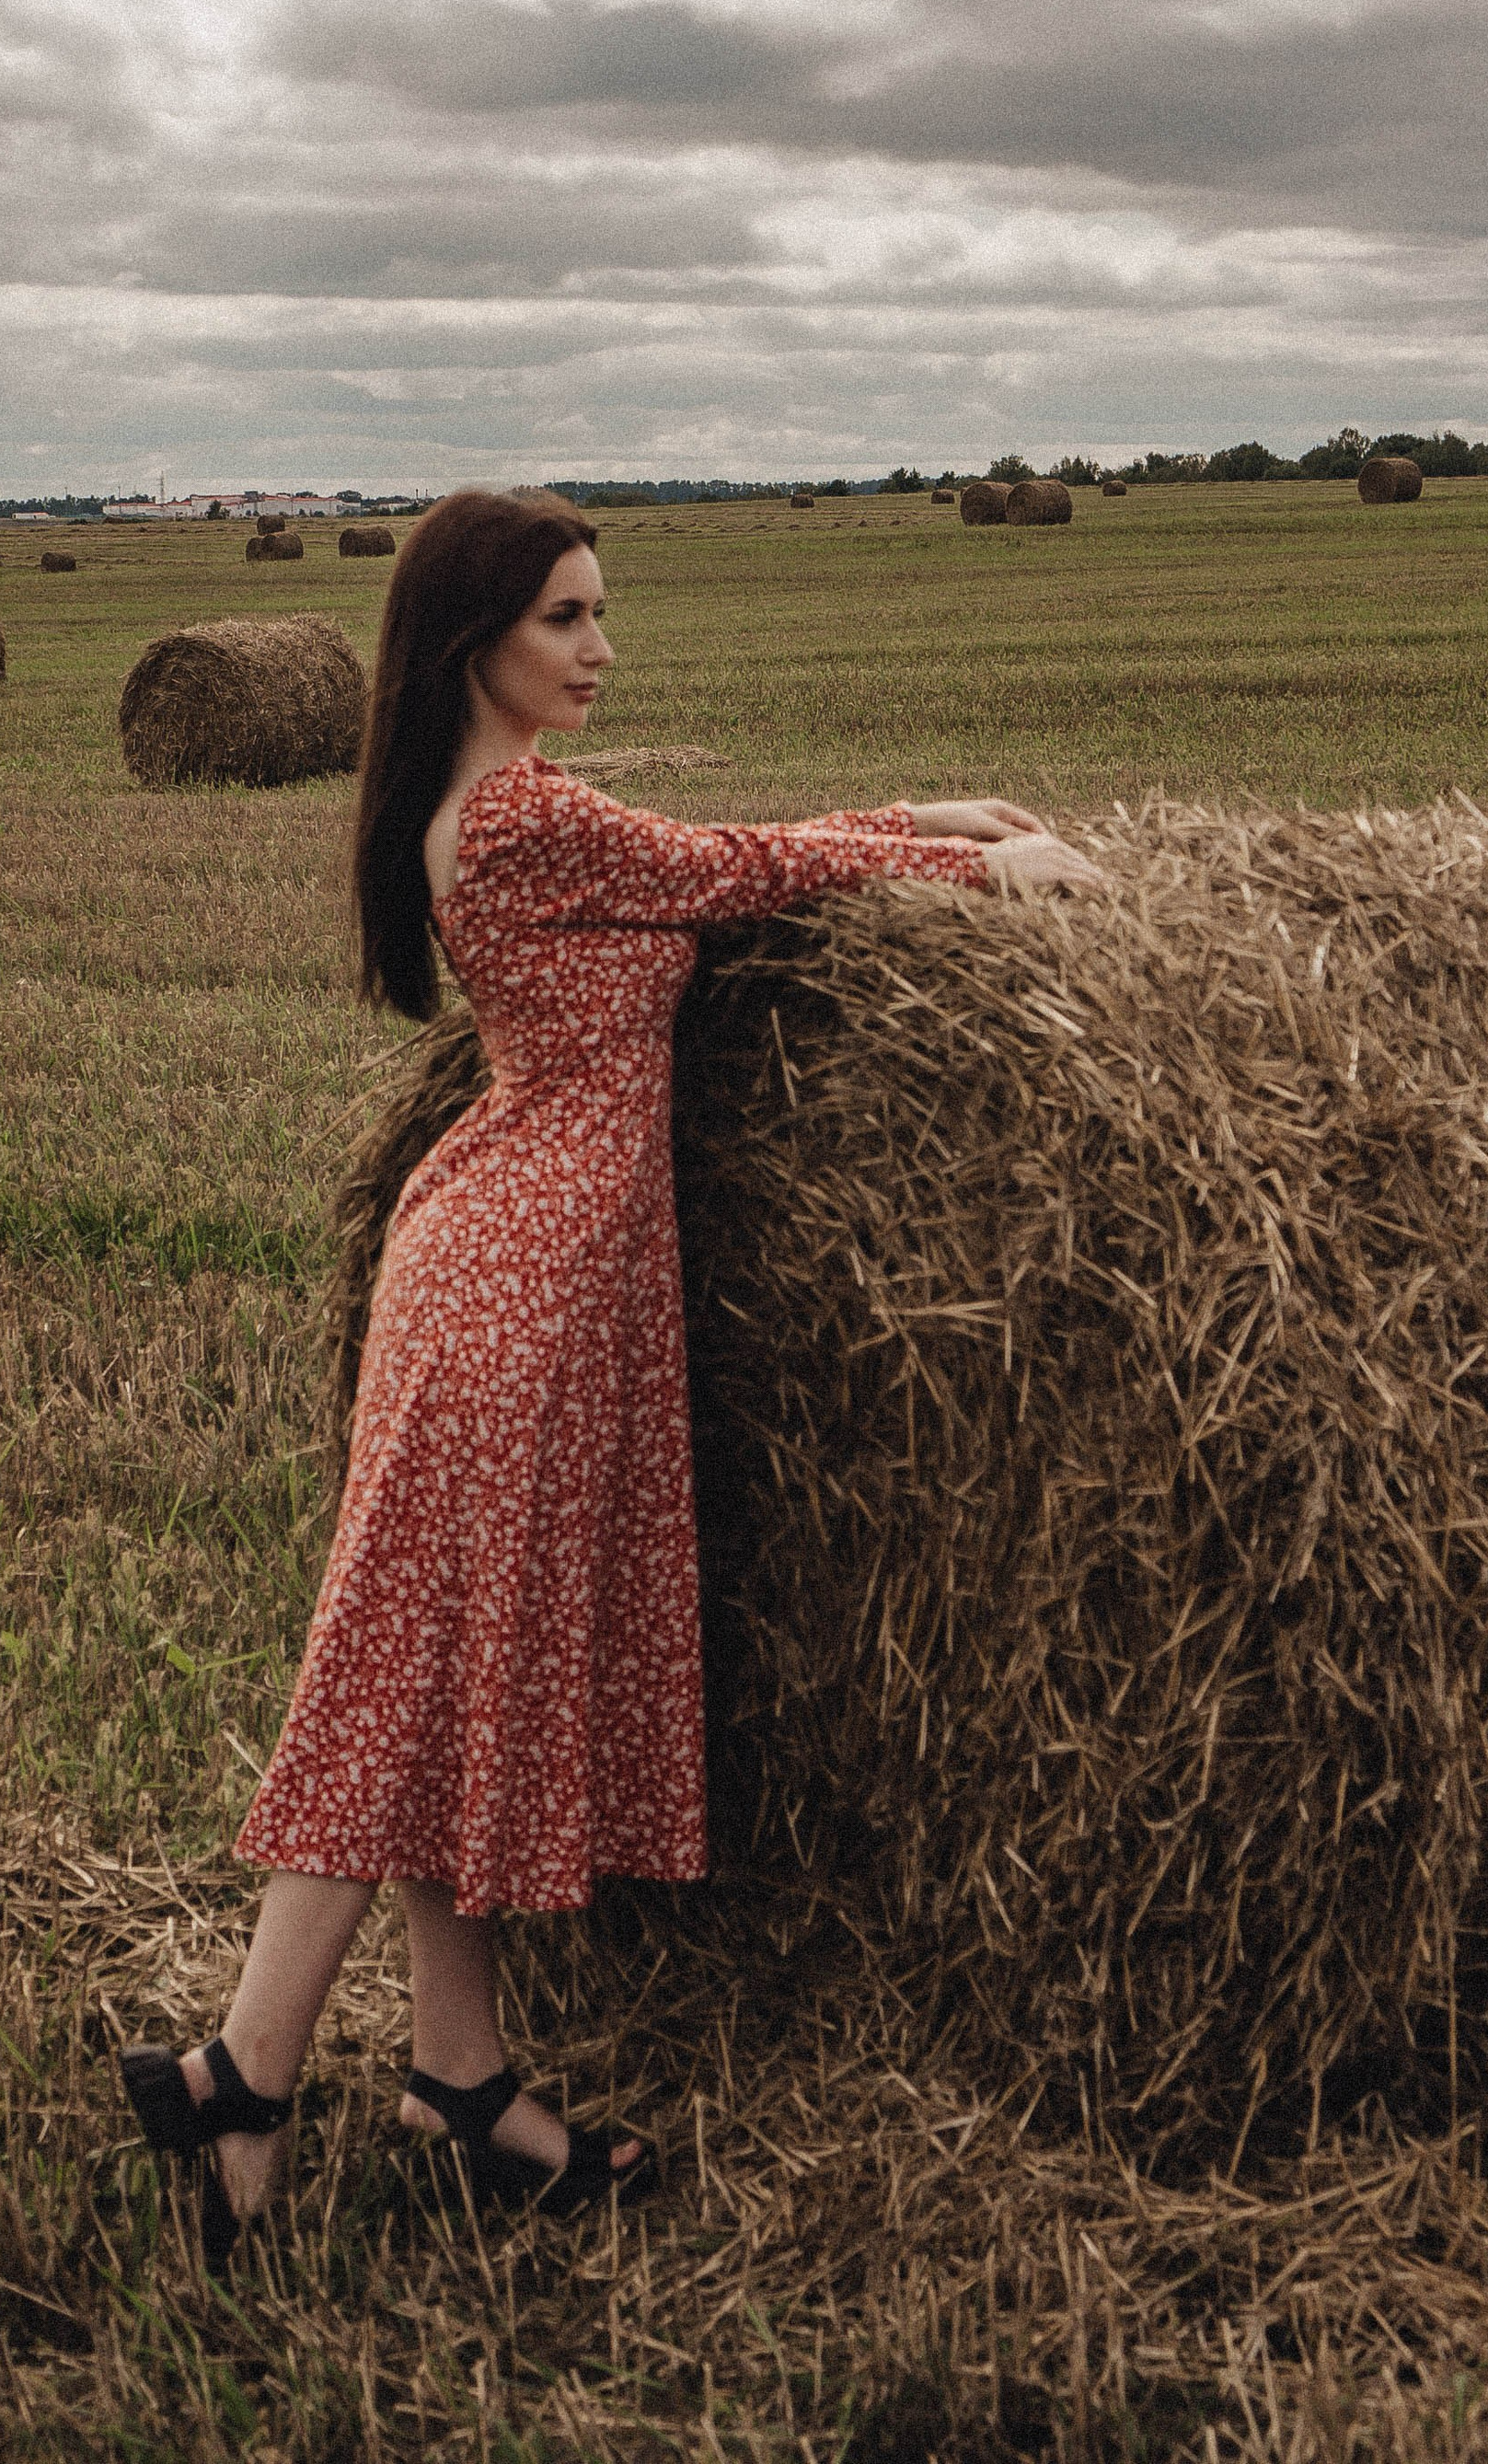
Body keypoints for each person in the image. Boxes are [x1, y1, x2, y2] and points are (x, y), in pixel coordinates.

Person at [121, 488, 1098, 2260]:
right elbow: (728, 873)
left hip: (521, 1277)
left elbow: (717, 856)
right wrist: (967, 865)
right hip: (511, 1294)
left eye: (599, 613)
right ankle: (241, 2074)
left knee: (457, 1686)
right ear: (472, 639)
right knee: (403, 1693)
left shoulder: (506, 812)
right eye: (567, 618)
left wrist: (920, 813)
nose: (599, 647)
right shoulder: (512, 823)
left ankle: (461, 2083)